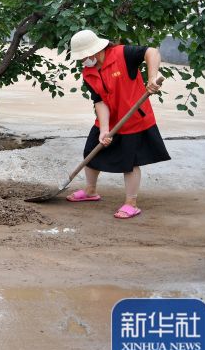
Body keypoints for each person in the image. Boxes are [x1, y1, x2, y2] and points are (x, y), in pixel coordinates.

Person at [66, 29, 170, 219]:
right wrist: (104, 129)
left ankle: (131, 203)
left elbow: (151, 52)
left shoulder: (123, 54)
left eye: (84, 57)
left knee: (129, 162)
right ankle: (90, 192)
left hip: (133, 119)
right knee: (91, 151)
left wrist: (152, 77)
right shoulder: (88, 72)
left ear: (95, 51)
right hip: (109, 118)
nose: (83, 61)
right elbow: (99, 101)